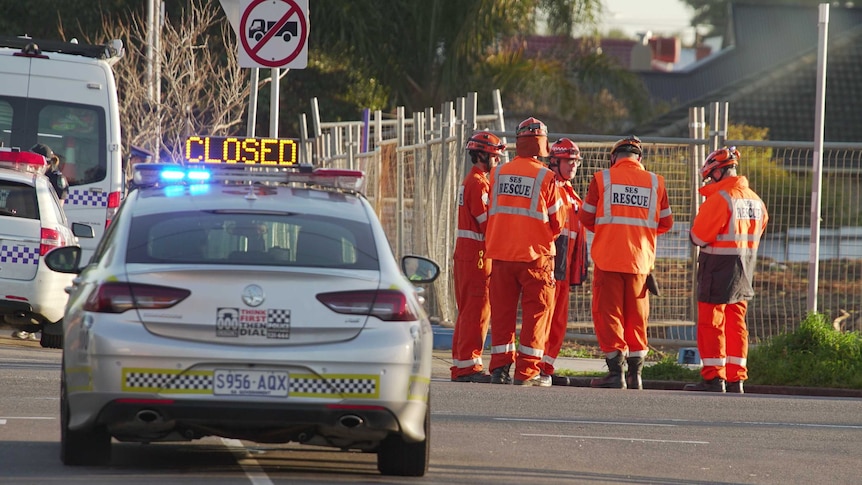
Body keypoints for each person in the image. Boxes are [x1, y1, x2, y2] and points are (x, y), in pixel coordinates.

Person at [579, 135, 673, 389]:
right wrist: (640, 232)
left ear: (613, 158)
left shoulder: (602, 179)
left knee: (608, 315)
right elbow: (666, 222)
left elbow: (586, 217)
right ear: (639, 158)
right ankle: (636, 375)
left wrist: (609, 231)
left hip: (608, 258)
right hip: (640, 263)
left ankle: (615, 374)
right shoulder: (656, 182)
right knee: (637, 317)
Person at [484, 117, 564, 387]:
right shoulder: (547, 177)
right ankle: (526, 373)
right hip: (535, 259)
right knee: (536, 315)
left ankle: (499, 369)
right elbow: (558, 222)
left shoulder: (498, 173)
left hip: (501, 255)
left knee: (502, 315)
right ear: (542, 145)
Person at [684, 147, 768, 394]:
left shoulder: (721, 198)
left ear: (719, 172)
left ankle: (713, 377)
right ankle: (736, 379)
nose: (710, 180)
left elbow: (698, 237)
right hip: (745, 269)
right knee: (736, 324)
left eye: (711, 176)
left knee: (712, 323)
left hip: (718, 268)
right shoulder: (755, 200)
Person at [450, 131, 505, 383]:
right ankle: (469, 367)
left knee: (468, 311)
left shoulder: (471, 181)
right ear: (483, 155)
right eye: (495, 156)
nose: (498, 161)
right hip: (477, 256)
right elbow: (488, 224)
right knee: (477, 310)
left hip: (467, 255)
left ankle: (463, 364)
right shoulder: (479, 183)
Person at [538, 138, 589, 385]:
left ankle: (546, 366)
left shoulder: (570, 192)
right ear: (555, 161)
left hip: (565, 267)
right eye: (569, 161)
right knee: (545, 317)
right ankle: (536, 366)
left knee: (558, 320)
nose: (573, 166)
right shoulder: (549, 186)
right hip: (550, 263)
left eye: (576, 162)